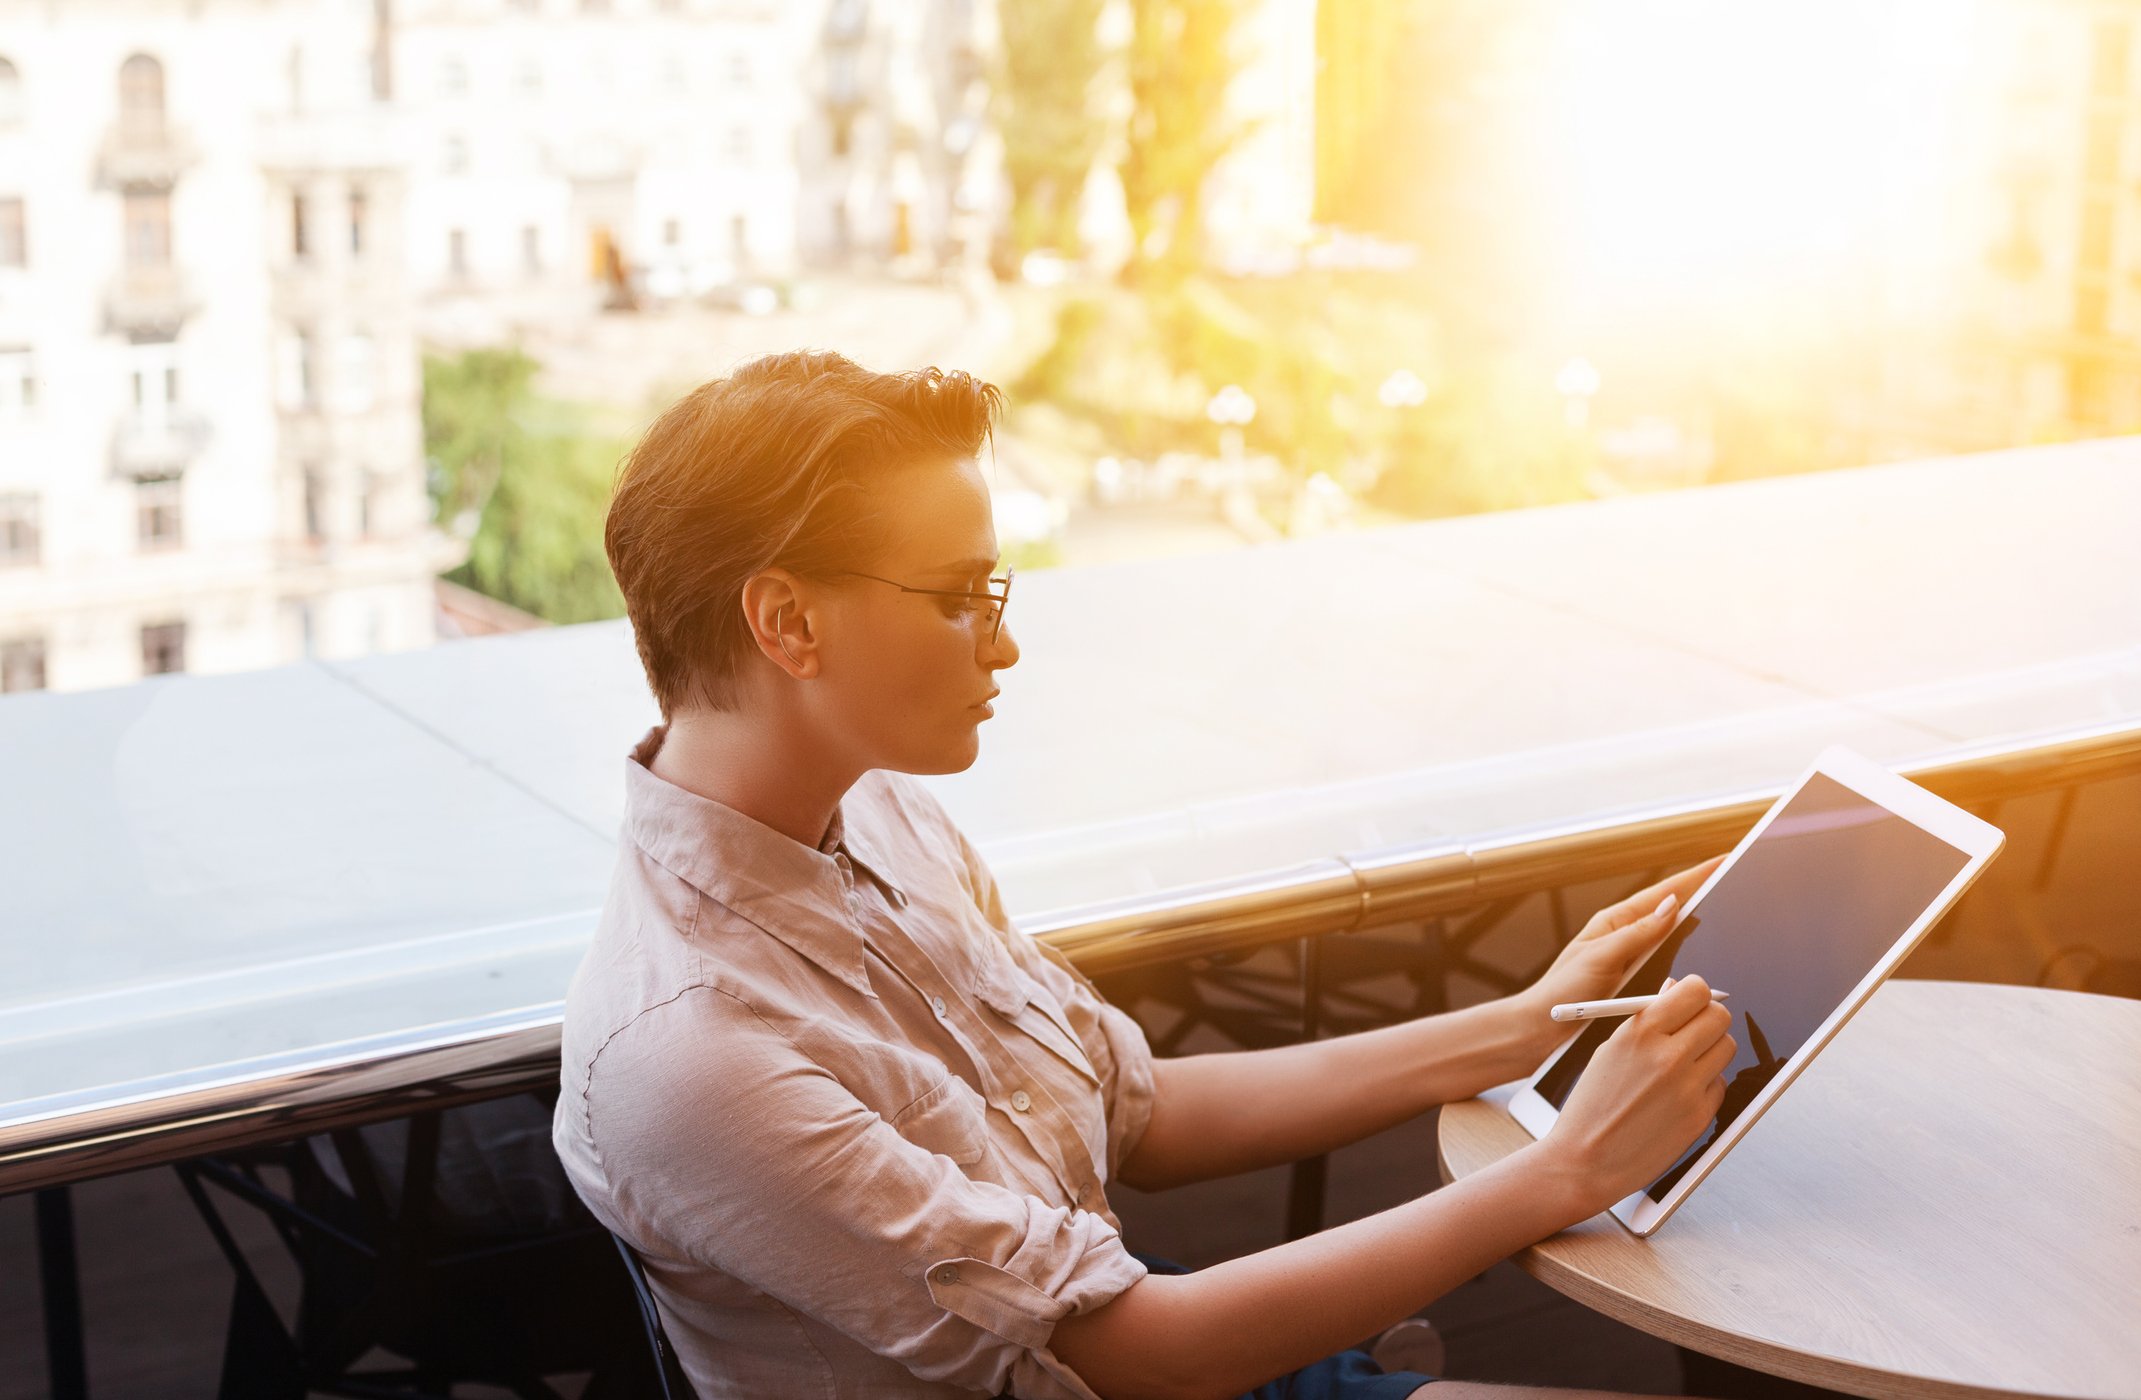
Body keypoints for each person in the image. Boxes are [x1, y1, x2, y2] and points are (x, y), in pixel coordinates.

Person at [552, 351, 1737, 1400]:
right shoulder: (689, 1054)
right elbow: (1142, 1355)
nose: (1002, 641)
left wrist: (1520, 1028)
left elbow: (1143, 1111)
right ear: (787, 622)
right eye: (962, 597)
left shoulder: (878, 811)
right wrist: (1563, 1168)